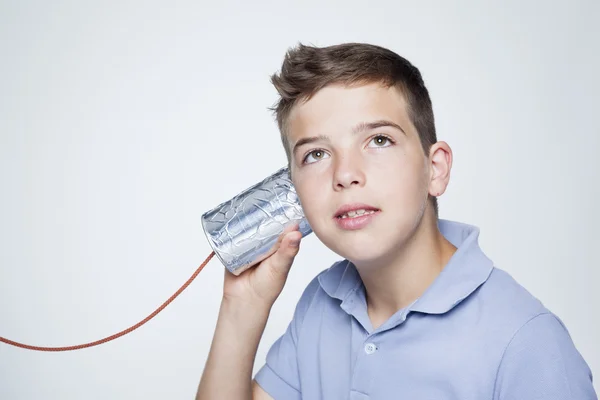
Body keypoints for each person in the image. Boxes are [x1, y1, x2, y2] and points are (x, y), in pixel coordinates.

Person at [196, 42, 597, 399]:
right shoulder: (321, 306)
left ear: (434, 169)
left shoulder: (525, 342)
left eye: (379, 140)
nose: (345, 173)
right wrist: (242, 307)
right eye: (315, 154)